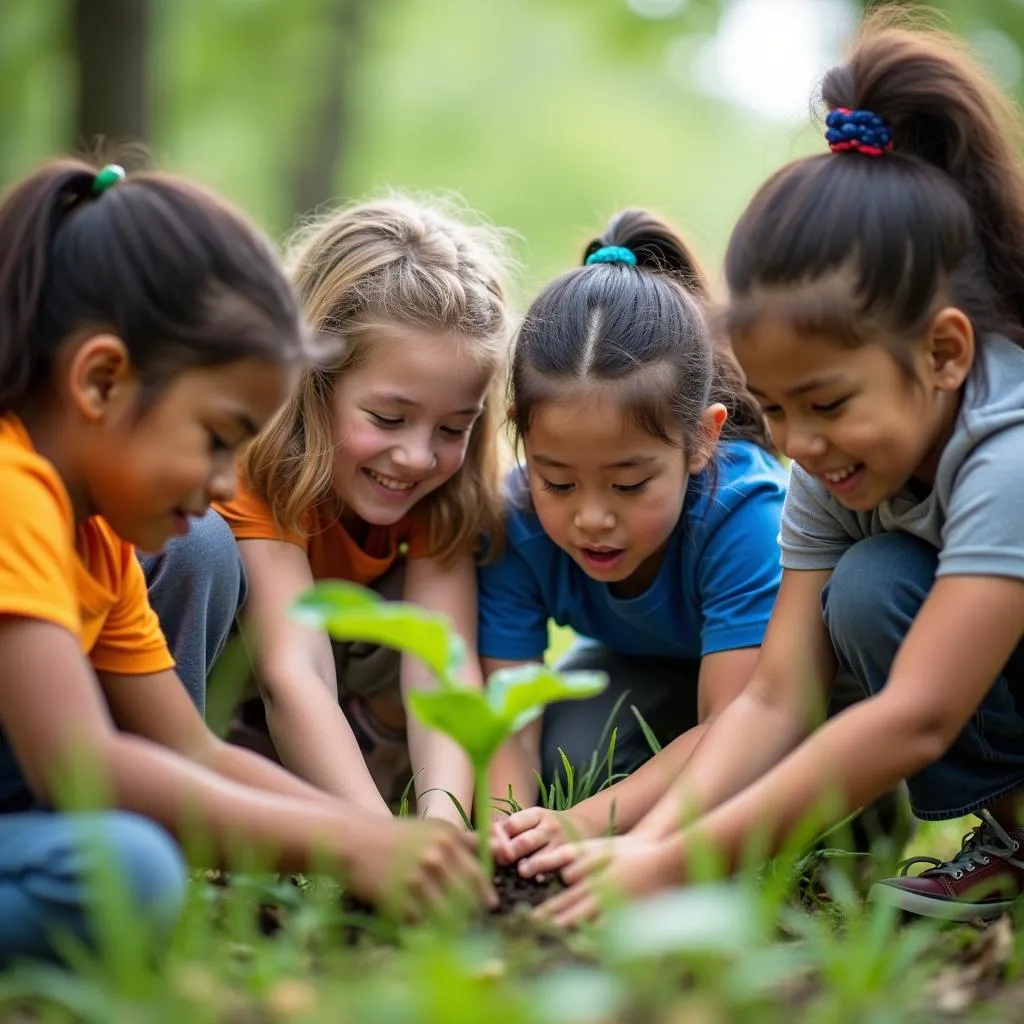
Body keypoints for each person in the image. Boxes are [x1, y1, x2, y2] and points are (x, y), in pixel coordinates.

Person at [536, 13, 1024, 927]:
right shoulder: (829, 464)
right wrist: (637, 843)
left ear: (946, 353)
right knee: (871, 586)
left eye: (829, 403)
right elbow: (775, 694)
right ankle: (1014, 842)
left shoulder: (1011, 453)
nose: (797, 443)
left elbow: (920, 714)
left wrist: (677, 864)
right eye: (780, 405)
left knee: (875, 587)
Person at [0, 160, 492, 965]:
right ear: (100, 381)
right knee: (133, 874)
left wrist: (374, 838)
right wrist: (349, 847)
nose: (229, 481)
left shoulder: (102, 544)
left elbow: (190, 751)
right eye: (218, 437)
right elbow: (82, 765)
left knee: (133, 869)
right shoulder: (12, 489)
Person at [478, 209, 788, 856]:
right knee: (568, 755)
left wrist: (587, 822)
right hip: (649, 673)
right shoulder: (516, 524)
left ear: (702, 439)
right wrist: (509, 828)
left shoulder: (744, 514)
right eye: (558, 481)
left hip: (776, 697)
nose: (592, 517)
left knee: (774, 792)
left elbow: (736, 722)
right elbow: (511, 719)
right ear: (522, 433)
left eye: (629, 484)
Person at [216, 196, 510, 823]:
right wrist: (378, 843)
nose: (416, 457)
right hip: (245, 675)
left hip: (348, 695)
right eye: (387, 419)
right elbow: (293, 669)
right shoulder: (254, 466)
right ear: (312, 381)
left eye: (454, 428)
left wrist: (445, 825)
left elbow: (443, 670)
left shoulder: (441, 492)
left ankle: (367, 767)